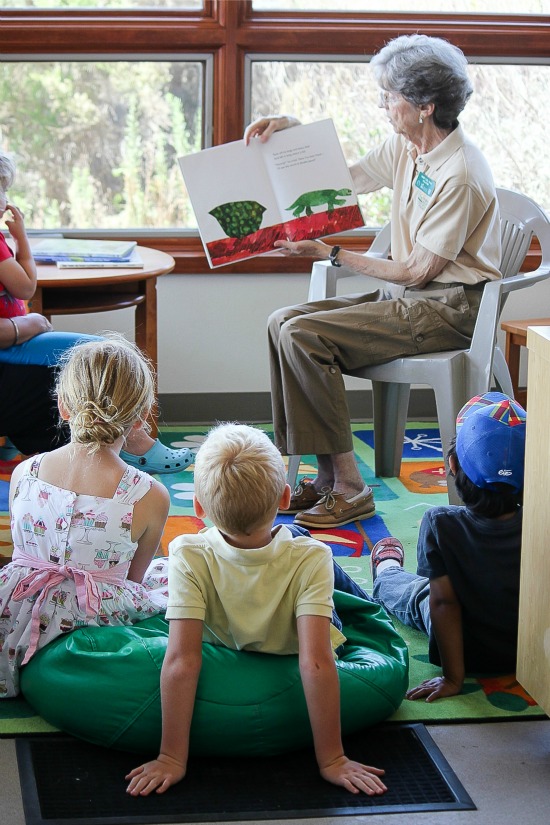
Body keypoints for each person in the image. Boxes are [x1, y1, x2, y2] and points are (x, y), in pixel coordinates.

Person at [244, 34, 501, 529]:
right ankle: (324, 479)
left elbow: (416, 271)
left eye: (390, 96)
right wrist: (293, 133)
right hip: (406, 300)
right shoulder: (407, 147)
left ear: (424, 106)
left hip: (446, 308)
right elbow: (345, 178)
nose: (383, 104)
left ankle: (350, 485)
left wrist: (332, 253)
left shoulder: (462, 173)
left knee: (303, 334)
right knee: (282, 323)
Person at [126, 423, 387, 798]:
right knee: (301, 541)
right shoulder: (315, 558)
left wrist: (171, 756)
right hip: (295, 632)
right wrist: (332, 759)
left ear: (198, 506)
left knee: (297, 546)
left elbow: (182, 659)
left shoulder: (186, 552)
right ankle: (378, 585)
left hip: (228, 635)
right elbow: (316, 662)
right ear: (284, 498)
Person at [0, 335, 171, 697]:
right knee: (170, 575)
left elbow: (23, 558)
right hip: (93, 619)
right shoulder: (149, 495)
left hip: (16, 607)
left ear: (62, 406)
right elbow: (132, 583)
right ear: (141, 417)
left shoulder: (23, 472)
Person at [370, 392, 525, 703]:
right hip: (525, 655)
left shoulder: (440, 523)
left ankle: (386, 569)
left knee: (418, 595)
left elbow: (444, 605)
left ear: (452, 465)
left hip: (467, 651)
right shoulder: (541, 525)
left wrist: (454, 678)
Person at [0, 152, 36, 322]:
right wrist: (20, 238)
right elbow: (27, 288)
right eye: (4, 191)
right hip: (9, 346)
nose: (6, 199)